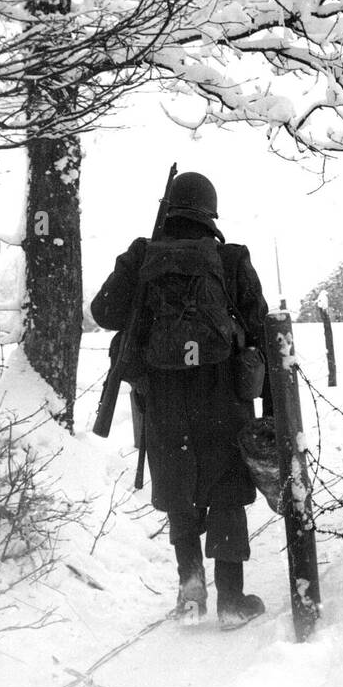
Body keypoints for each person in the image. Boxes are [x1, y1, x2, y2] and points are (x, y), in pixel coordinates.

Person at [89, 171, 269, 630]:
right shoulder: (229, 259)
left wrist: (140, 267)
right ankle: (231, 601)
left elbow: (104, 312)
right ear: (211, 210)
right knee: (226, 490)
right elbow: (259, 325)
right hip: (222, 395)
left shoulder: (143, 255)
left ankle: (190, 596)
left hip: (164, 398)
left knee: (179, 492)